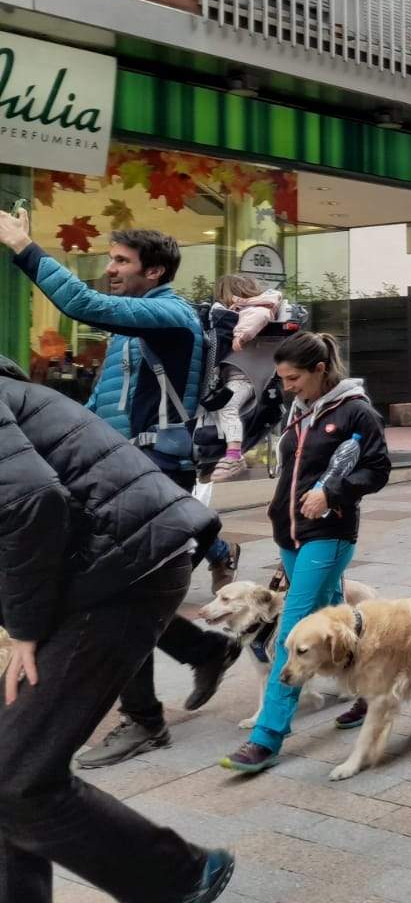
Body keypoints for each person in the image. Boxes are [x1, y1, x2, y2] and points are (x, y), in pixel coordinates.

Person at [0, 213, 242, 769]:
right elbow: (98, 412)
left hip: (155, 466)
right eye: (109, 260)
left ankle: (144, 721)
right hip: (125, 465)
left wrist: (25, 248)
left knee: (113, 588)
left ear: (153, 271)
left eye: (120, 262)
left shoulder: (169, 315)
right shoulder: (135, 332)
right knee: (123, 591)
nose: (109, 270)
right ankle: (205, 648)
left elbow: (89, 307)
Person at [0, 356, 235, 903]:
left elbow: (30, 501)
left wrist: (25, 628)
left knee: (16, 775)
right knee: (14, 766)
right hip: (109, 563)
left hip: (123, 566)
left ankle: (179, 875)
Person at [219, 332, 390, 773]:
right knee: (337, 616)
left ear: (319, 370)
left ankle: (269, 735)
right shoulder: (299, 412)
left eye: (293, 377)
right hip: (290, 536)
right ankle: (371, 694)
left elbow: (377, 469)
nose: (287, 386)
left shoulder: (356, 411)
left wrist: (332, 493)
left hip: (328, 535)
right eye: (281, 378)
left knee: (294, 631)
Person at [200, 273, 285, 483]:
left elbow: (258, 317)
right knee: (215, 414)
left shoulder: (257, 308)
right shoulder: (251, 307)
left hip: (244, 378)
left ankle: (233, 456)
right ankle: (214, 459)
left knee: (227, 408)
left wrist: (241, 335)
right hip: (238, 377)